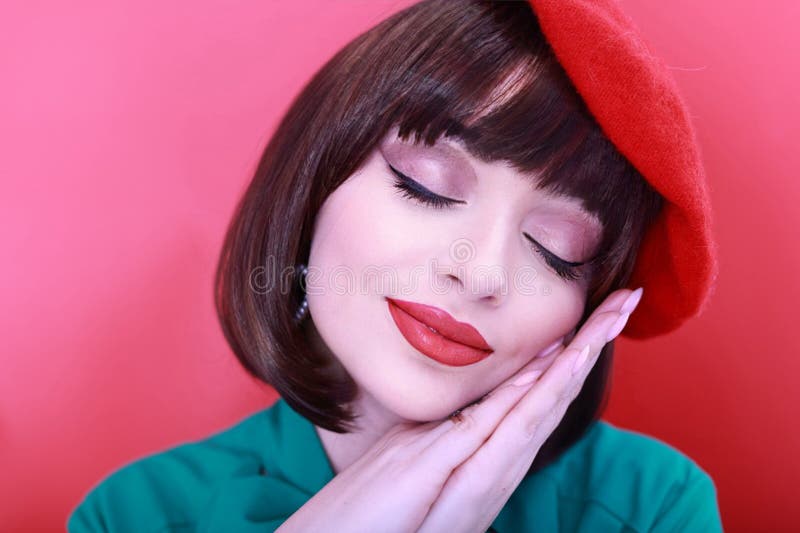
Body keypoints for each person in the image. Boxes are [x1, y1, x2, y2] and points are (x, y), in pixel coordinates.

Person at [67, 0, 723, 531]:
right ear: (316, 183)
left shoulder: (652, 506)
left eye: (556, 249)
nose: (481, 272)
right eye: (426, 185)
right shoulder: (131, 514)